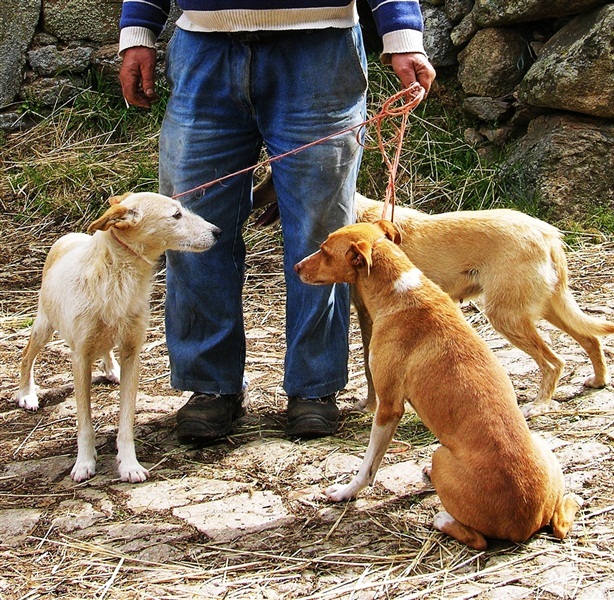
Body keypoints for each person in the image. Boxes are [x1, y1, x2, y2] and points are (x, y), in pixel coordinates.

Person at [118, 1, 436, 443]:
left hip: (320, 52)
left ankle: (314, 388)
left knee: (320, 232)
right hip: (203, 49)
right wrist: (138, 30)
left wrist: (402, 34)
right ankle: (210, 386)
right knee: (192, 227)